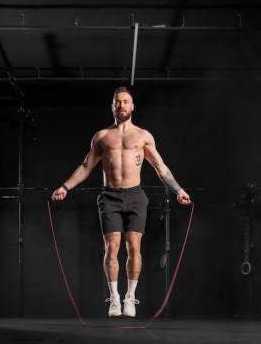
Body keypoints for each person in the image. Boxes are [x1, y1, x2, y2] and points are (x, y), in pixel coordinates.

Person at [51, 86, 191, 318]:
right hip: (110, 196)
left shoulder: (143, 136)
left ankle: (130, 298)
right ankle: (114, 297)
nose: (121, 105)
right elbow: (87, 166)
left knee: (134, 248)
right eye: (118, 102)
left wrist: (178, 190)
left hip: (135, 196)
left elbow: (160, 168)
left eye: (125, 102)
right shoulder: (102, 136)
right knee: (112, 248)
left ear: (132, 106)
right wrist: (65, 187)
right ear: (112, 106)